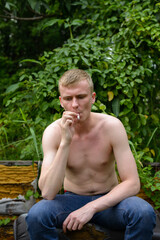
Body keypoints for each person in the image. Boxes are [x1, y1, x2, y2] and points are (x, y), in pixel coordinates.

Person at [26, 69, 156, 240]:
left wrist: (91, 207)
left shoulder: (111, 126)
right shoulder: (53, 132)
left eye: (81, 97)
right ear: (61, 102)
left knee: (143, 212)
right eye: (68, 98)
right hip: (70, 201)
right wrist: (65, 142)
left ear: (93, 97)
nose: (75, 105)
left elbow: (132, 183)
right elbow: (48, 193)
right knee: (37, 215)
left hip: (111, 202)